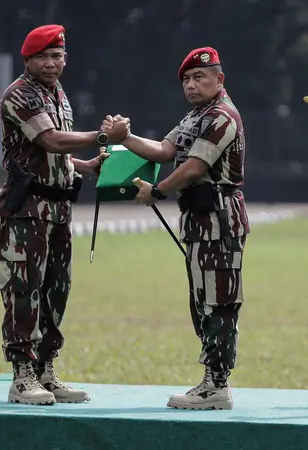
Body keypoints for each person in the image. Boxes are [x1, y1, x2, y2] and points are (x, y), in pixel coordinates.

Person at [102, 47, 249, 410]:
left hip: (219, 218)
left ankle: (217, 384)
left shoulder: (222, 117)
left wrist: (158, 191)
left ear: (219, 79)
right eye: (186, 79)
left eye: (199, 77)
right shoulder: (196, 116)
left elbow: (195, 167)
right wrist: (125, 138)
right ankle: (211, 381)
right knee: (201, 301)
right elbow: (166, 150)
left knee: (219, 300)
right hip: (198, 220)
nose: (191, 84)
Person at [0, 23, 130, 405]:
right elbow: (48, 139)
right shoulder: (20, 94)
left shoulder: (58, 94)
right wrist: (103, 137)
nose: (51, 63)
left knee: (56, 290)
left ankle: (45, 369)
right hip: (25, 211)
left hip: (57, 209)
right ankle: (22, 375)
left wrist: (87, 166)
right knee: (24, 290)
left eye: (57, 56)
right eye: (43, 57)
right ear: (28, 60)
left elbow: (56, 154)